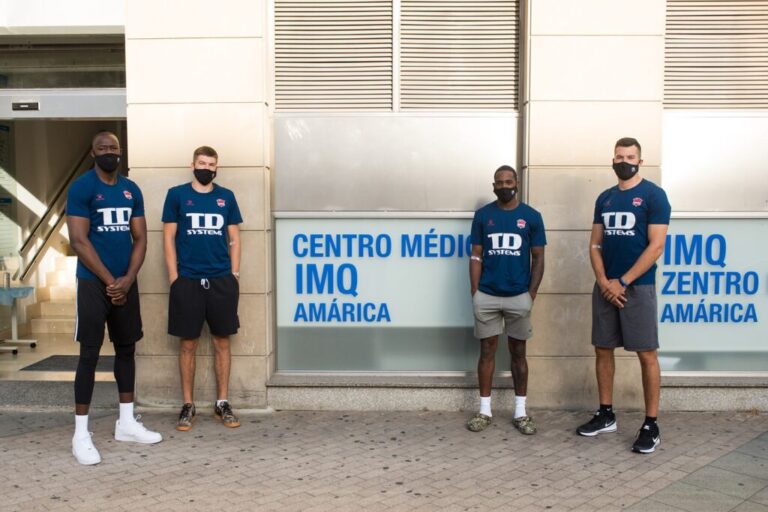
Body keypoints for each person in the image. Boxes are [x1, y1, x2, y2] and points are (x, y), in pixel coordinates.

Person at [67, 131, 162, 466]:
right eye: (102, 148)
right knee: (89, 354)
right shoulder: (81, 188)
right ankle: (81, 434)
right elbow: (78, 241)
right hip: (94, 284)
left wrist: (128, 280)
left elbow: (141, 238)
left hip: (125, 282)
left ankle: (126, 422)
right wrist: (111, 282)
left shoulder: (130, 189)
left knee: (126, 350)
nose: (109, 152)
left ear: (121, 152)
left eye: (114, 148)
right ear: (93, 153)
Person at [576, 137, 671, 454]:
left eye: (630, 156)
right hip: (605, 287)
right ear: (612, 160)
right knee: (602, 349)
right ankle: (606, 414)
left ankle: (651, 424)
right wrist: (604, 281)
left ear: (640, 161)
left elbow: (655, 247)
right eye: (619, 156)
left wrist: (623, 281)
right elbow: (594, 244)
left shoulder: (654, 196)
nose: (624, 161)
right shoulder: (604, 198)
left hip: (638, 288)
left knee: (646, 354)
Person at [162, 146, 243, 431]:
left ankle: (222, 403)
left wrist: (233, 274)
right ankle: (188, 405)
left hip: (221, 280)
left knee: (222, 342)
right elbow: (168, 238)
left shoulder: (226, 197)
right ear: (192, 164)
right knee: (188, 344)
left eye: (211, 164)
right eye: (202, 163)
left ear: (216, 168)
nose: (206, 168)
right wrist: (175, 277)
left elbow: (234, 238)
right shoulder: (177, 195)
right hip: (188, 281)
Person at [467, 165, 546, 435]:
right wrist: (475, 290)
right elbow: (476, 255)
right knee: (487, 352)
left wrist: (531, 293)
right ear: (493, 186)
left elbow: (539, 258)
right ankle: (484, 411)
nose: (504, 186)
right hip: (487, 295)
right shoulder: (483, 216)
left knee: (518, 354)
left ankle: (521, 412)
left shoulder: (532, 217)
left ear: (517, 183)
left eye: (508, 181)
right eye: (499, 182)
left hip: (518, 297)